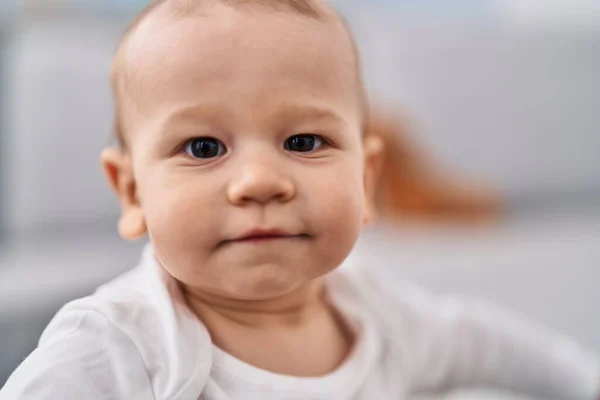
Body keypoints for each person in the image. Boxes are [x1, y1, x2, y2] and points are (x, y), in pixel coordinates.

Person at [1, 0, 597, 399]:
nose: (260, 180)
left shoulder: (380, 316)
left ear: (366, 179)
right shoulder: (118, 346)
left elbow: (493, 347)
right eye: (204, 146)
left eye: (304, 141)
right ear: (131, 192)